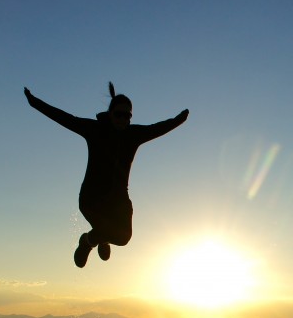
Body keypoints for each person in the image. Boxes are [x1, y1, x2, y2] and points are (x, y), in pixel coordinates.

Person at [24, 83, 189, 266]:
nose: (123, 119)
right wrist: (34, 102)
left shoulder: (134, 134)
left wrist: (179, 119)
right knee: (107, 229)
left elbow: (158, 128)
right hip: (91, 198)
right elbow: (65, 118)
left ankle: (98, 238)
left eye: (128, 115)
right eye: (119, 114)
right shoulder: (94, 130)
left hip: (119, 199)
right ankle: (89, 242)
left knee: (124, 238)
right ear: (110, 114)